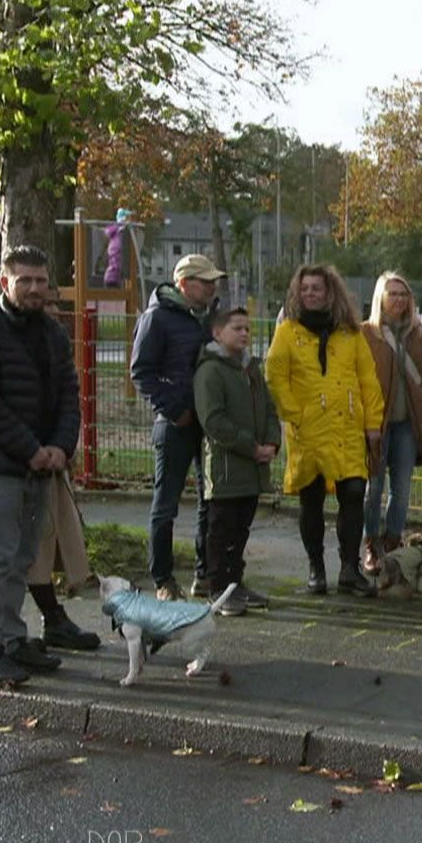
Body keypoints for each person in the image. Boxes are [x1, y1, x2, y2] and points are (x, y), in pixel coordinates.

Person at [0, 245, 78, 687]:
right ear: (4, 283)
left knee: (22, 557)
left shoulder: (53, 334)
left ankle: (10, 639)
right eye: (25, 280)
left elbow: (68, 395)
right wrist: (32, 449)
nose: (34, 288)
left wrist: (61, 446)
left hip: (38, 465)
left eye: (41, 280)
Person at [265, 264, 384, 596]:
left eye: (316, 288)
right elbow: (275, 376)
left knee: (353, 496)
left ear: (330, 292)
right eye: (304, 289)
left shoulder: (350, 333)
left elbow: (368, 380)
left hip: (347, 429)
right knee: (311, 499)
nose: (310, 294)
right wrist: (295, 415)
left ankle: (350, 568)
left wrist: (373, 424)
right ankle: (315, 568)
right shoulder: (288, 331)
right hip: (308, 432)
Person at [131, 253, 228, 600]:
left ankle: (204, 574)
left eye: (213, 281)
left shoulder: (205, 318)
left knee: (210, 498)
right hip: (175, 424)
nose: (212, 287)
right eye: (205, 282)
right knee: (166, 503)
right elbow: (141, 371)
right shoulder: (157, 318)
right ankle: (162, 579)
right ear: (184, 283)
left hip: (206, 422)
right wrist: (174, 410)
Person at [194, 305, 280, 616]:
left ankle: (236, 583)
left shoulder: (251, 369)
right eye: (236, 328)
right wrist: (250, 447)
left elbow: (269, 409)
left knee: (241, 530)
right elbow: (214, 421)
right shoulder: (210, 371)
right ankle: (218, 588)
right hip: (227, 469)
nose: (244, 333)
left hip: (252, 469)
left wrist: (271, 441)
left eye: (247, 328)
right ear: (218, 333)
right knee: (222, 531)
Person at [359, 272, 422, 572]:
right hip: (375, 425)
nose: (399, 299)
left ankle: (393, 545)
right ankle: (372, 545)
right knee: (374, 487)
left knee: (402, 489)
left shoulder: (418, 335)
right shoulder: (366, 334)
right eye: (393, 293)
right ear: (380, 297)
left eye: (403, 294)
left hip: (408, 424)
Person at [24, 474, 100, 652]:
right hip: (18, 463)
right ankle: (6, 635)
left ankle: (52, 618)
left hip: (45, 462)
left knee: (48, 537)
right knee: (33, 549)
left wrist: (61, 447)